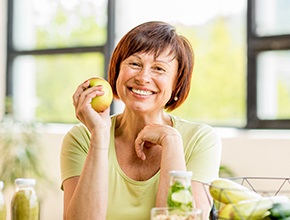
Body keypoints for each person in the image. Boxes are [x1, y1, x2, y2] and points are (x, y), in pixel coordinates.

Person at [60, 21, 222, 220]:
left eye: (159, 69)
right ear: (117, 71)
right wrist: (99, 137)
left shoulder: (200, 139)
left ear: (177, 83)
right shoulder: (82, 138)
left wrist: (171, 141)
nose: (143, 77)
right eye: (135, 64)